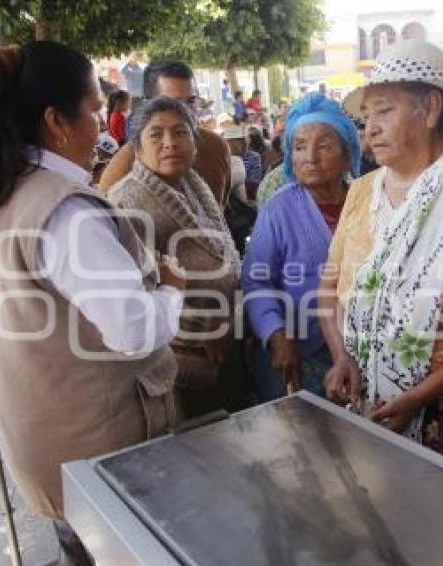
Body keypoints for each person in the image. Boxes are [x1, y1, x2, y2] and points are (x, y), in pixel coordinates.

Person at [0, 42, 186, 565]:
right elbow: (133, 331)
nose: (102, 126)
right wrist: (170, 290)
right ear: (56, 120)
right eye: (96, 110)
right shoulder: (67, 212)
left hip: (42, 433)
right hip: (95, 441)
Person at [321, 40, 443, 479]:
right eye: (366, 116)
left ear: (430, 109)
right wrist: (342, 357)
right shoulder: (361, 192)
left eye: (384, 111)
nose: (369, 129)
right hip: (368, 402)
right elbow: (328, 288)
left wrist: (416, 397)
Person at [107, 96, 243, 421]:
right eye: (156, 135)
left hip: (227, 347)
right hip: (182, 365)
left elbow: (224, 256)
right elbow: (132, 299)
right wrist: (201, 330)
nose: (170, 143)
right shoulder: (126, 203)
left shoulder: (194, 184)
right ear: (137, 148)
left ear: (194, 141)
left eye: (180, 132)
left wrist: (232, 318)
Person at [242, 93, 361, 401]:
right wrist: (277, 335)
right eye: (299, 146)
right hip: (300, 353)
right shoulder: (280, 208)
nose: (310, 157)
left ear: (349, 156)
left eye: (324, 145)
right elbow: (256, 279)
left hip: (361, 350)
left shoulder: (366, 202)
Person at [98, 59, 233, 209]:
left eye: (191, 101)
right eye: (173, 104)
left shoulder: (217, 148)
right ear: (149, 105)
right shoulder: (121, 170)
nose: (186, 112)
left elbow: (221, 211)